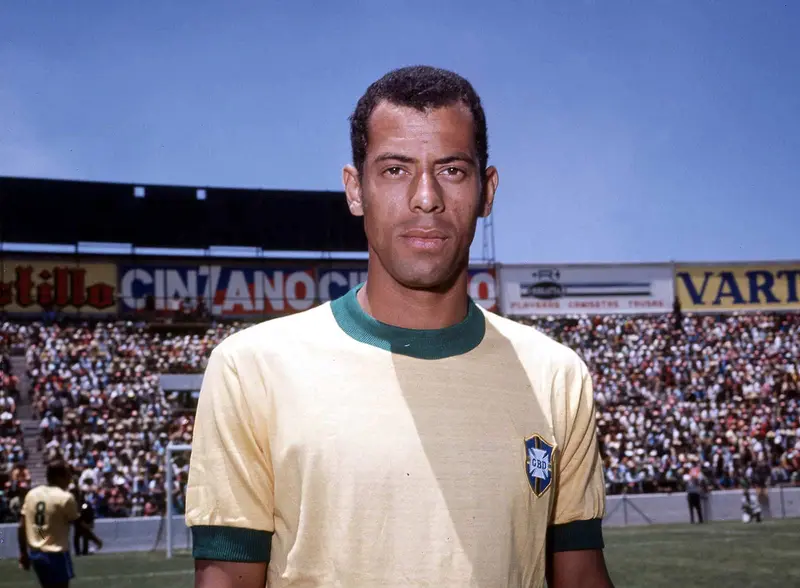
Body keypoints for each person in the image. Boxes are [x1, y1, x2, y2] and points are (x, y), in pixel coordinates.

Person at [186, 65, 614, 588]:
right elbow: (227, 578)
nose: (426, 196)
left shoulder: (556, 376)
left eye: (452, 170)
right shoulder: (252, 368)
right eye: (394, 170)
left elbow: (581, 576)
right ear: (355, 189)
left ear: (487, 191)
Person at [18, 460, 103, 588]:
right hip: (56, 553)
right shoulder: (65, 497)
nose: (69, 479)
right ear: (59, 476)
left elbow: (21, 526)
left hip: (36, 554)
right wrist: (95, 540)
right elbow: (78, 525)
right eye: (67, 475)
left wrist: (23, 553)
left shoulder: (32, 494)